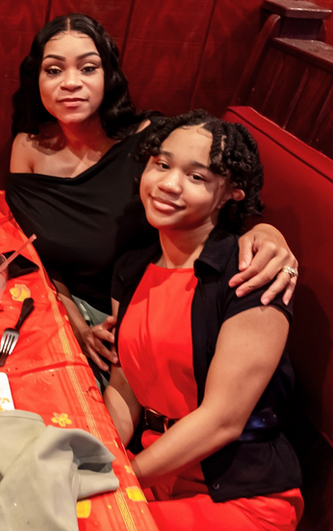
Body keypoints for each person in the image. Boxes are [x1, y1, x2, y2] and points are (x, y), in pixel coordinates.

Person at [4, 13, 298, 378]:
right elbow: (38, 254)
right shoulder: (29, 149)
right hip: (66, 310)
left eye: (88, 68)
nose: (71, 83)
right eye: (53, 70)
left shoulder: (158, 146)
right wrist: (75, 324)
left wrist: (269, 234)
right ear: (36, 80)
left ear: (108, 75)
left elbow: (225, 198)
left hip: (152, 319)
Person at [102, 111, 302, 529]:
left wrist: (120, 478)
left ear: (231, 192)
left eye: (197, 177)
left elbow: (222, 420)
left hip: (237, 496)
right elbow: (125, 386)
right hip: (155, 473)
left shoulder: (250, 273)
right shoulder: (132, 265)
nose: (169, 184)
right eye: (162, 164)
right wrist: (99, 457)